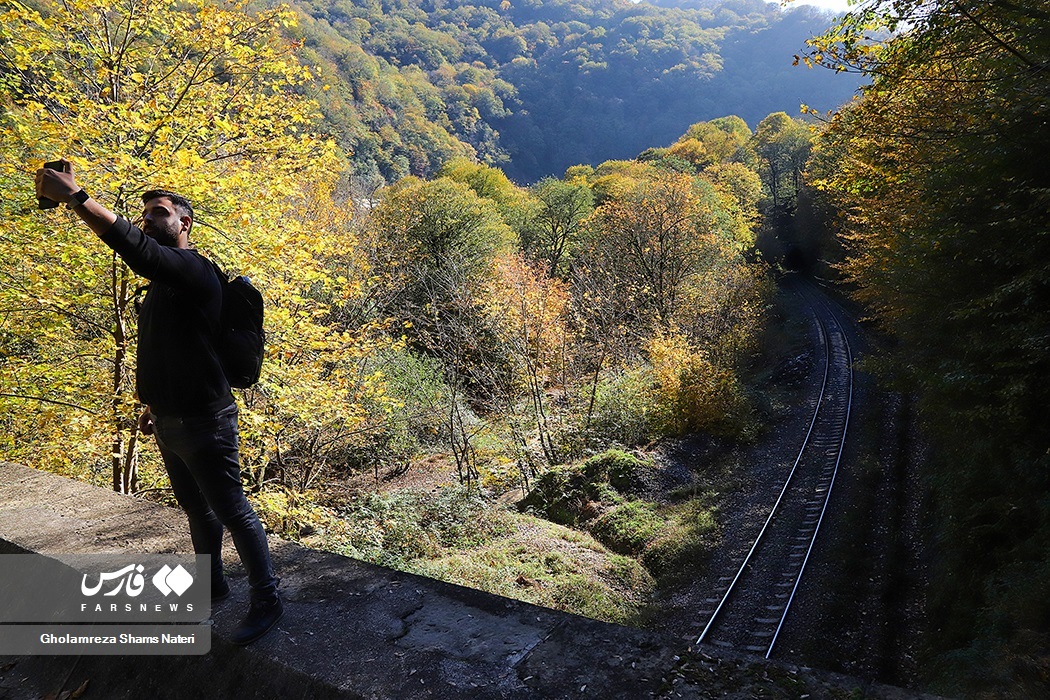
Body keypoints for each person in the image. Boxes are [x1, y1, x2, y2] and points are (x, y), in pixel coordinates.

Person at [35, 160, 283, 646]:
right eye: (145, 213)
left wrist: (76, 196)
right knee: (195, 508)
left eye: (159, 213)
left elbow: (140, 252)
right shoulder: (164, 289)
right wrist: (150, 404)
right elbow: (163, 347)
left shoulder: (194, 270)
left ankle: (267, 600)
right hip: (169, 419)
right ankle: (211, 586)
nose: (148, 219)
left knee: (232, 509)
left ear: (183, 223)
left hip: (206, 420)